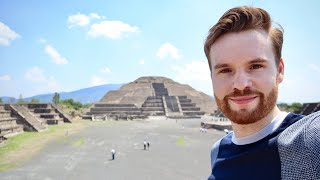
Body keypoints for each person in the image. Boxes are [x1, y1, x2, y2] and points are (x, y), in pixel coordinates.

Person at [204, 6, 320, 180]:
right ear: (212, 76)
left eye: (256, 66)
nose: (241, 84)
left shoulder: (310, 141)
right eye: (225, 70)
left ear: (279, 70)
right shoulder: (218, 150)